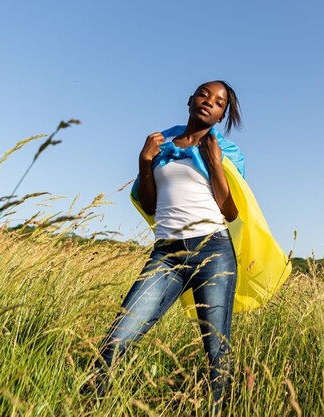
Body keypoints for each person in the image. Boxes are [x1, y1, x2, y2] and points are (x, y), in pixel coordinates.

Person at [89, 80, 243, 410]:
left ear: (220, 117)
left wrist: (215, 164)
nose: (208, 102)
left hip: (213, 250)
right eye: (203, 95)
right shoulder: (161, 145)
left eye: (218, 103)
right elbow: (149, 204)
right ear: (189, 100)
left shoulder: (226, 152)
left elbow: (230, 211)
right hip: (167, 253)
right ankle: (88, 404)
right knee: (120, 334)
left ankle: (217, 409)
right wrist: (144, 162)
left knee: (216, 348)